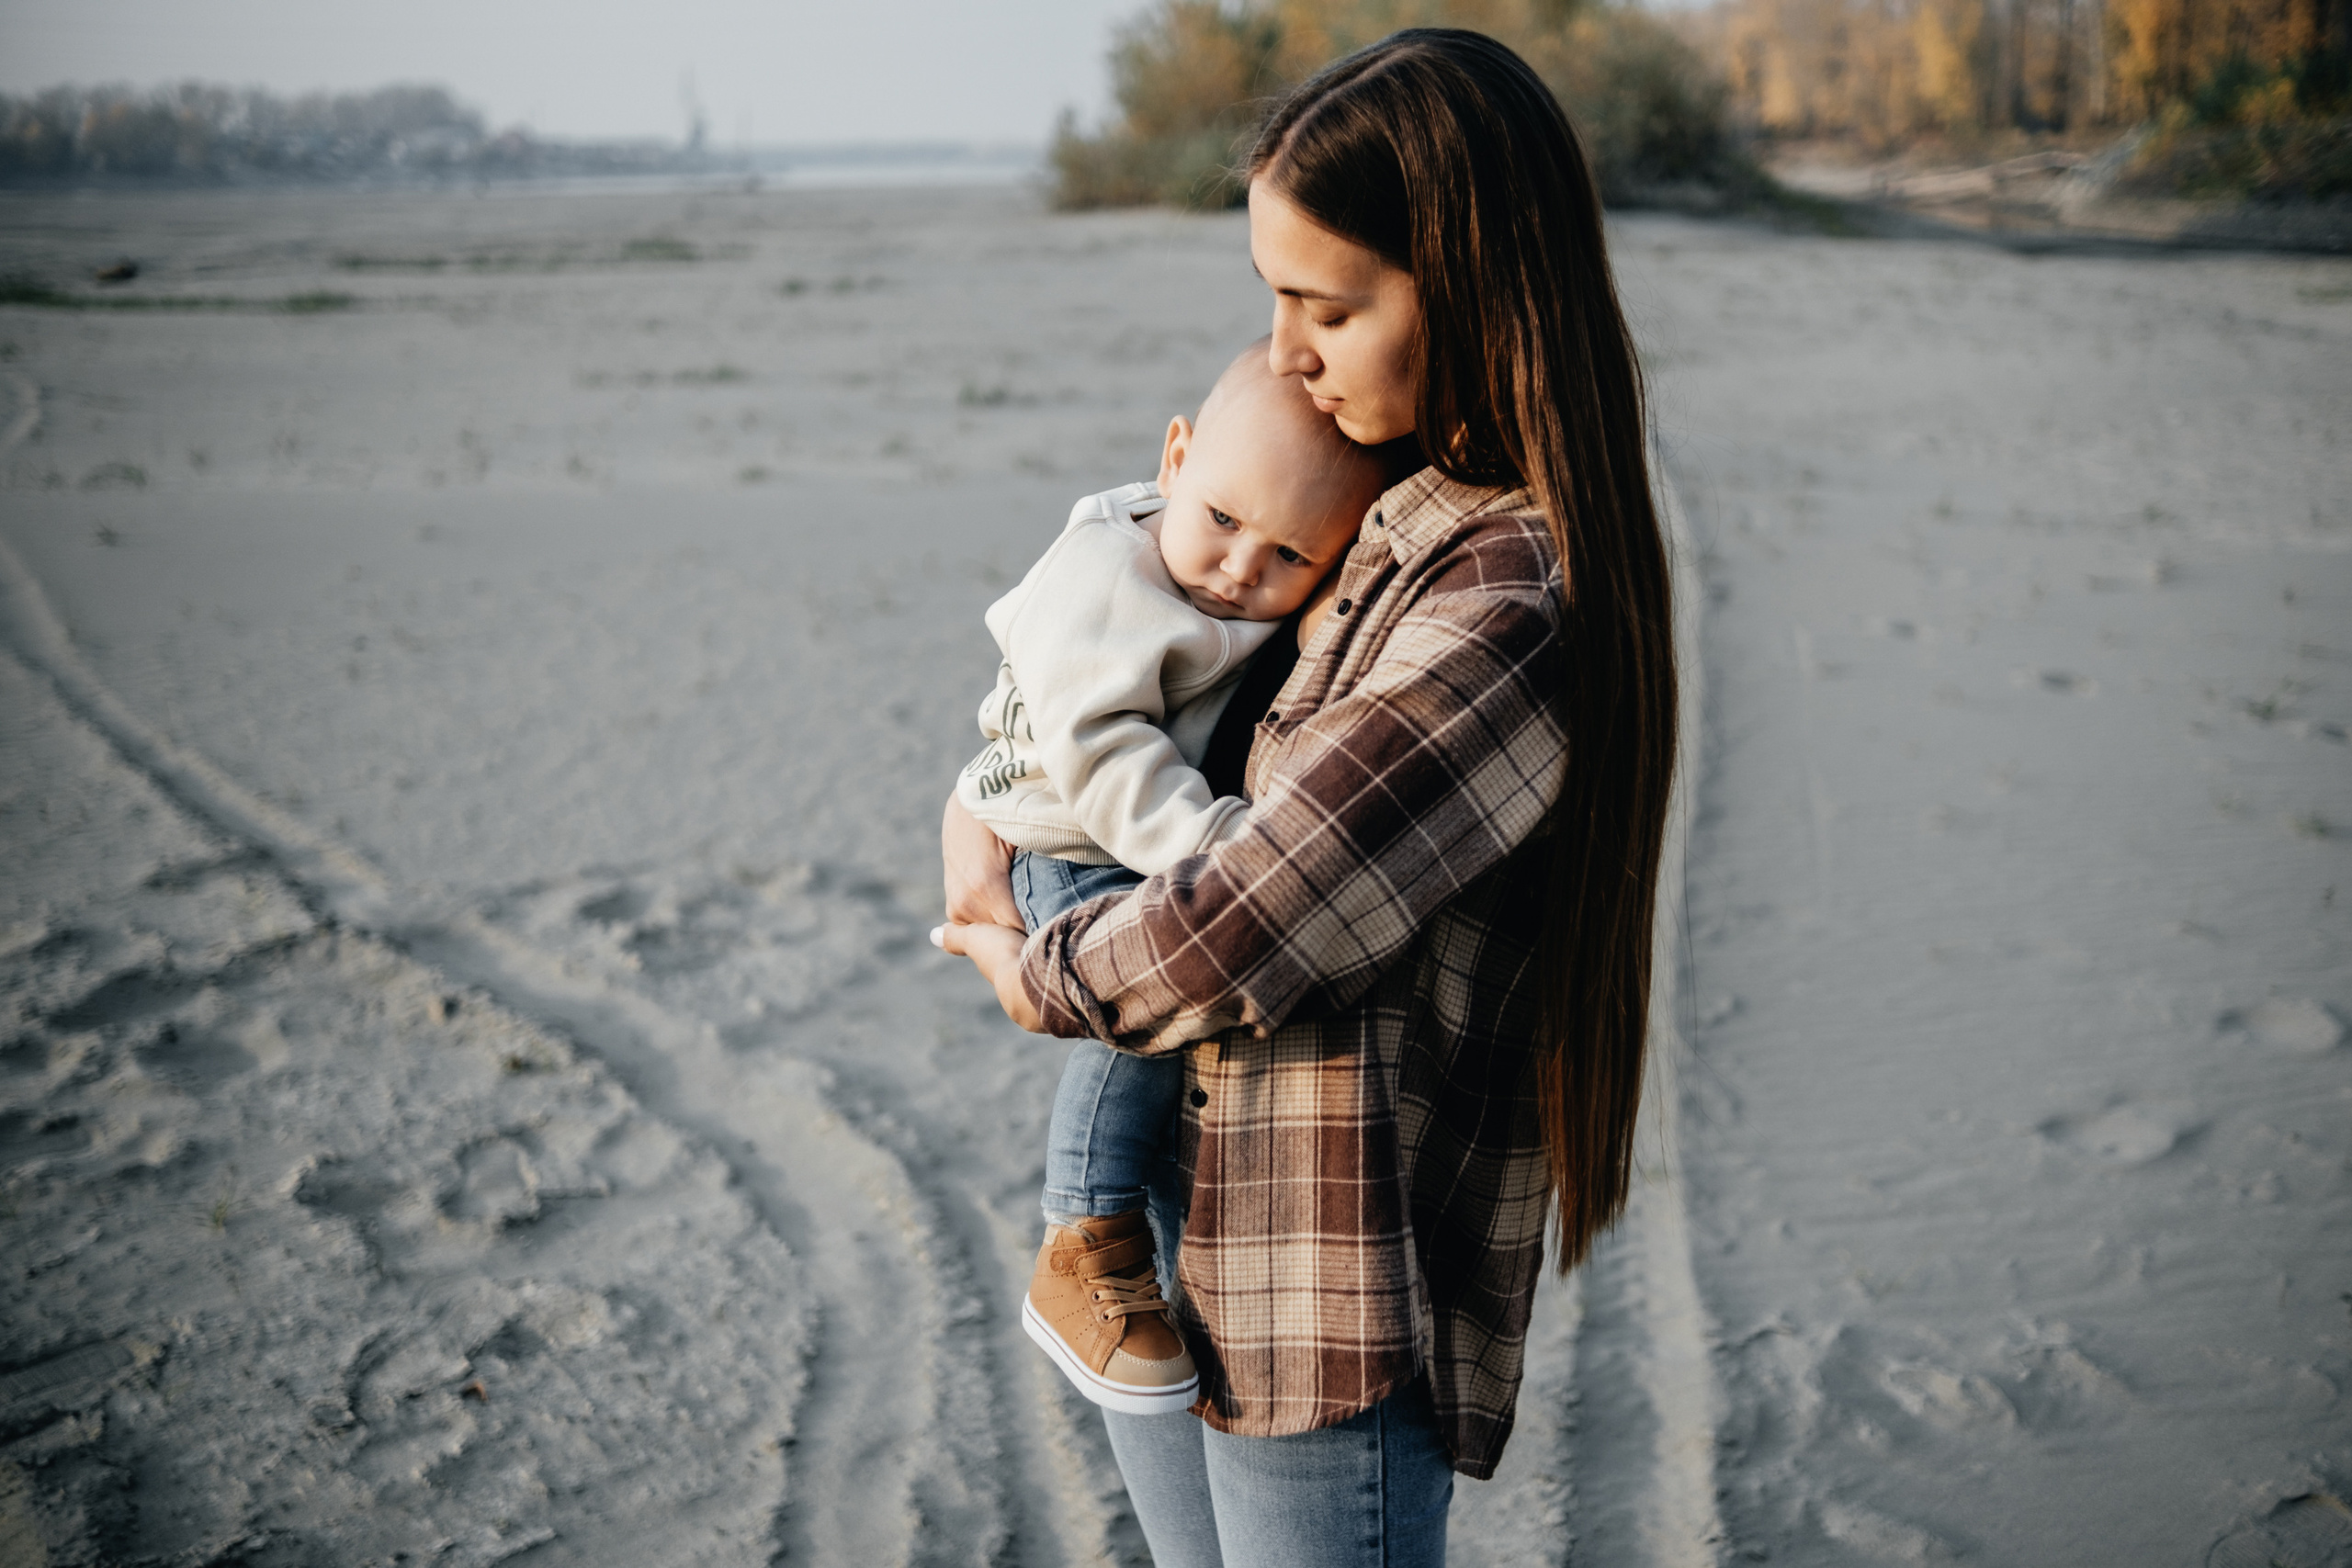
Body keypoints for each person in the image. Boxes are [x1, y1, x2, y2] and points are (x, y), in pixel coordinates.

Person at [938, 27, 1678, 1568]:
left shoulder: (1507, 593)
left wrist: (1037, 965)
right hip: (1182, 1215)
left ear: (1469, 287)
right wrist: (995, 793)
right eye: (1270, 298)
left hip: (1324, 1285)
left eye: (1325, 307)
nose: (1285, 351)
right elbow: (1137, 693)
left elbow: (1259, 910)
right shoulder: (1368, 505)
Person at [948, 346, 1392, 1416]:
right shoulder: (1115, 584)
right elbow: (1108, 761)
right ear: (1174, 456)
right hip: (1073, 839)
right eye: (1225, 521)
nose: (1241, 571)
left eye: (1291, 556)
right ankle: (1082, 1238)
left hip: (1101, 828)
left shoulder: (1195, 542)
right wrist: (1226, 844)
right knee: (1147, 1015)